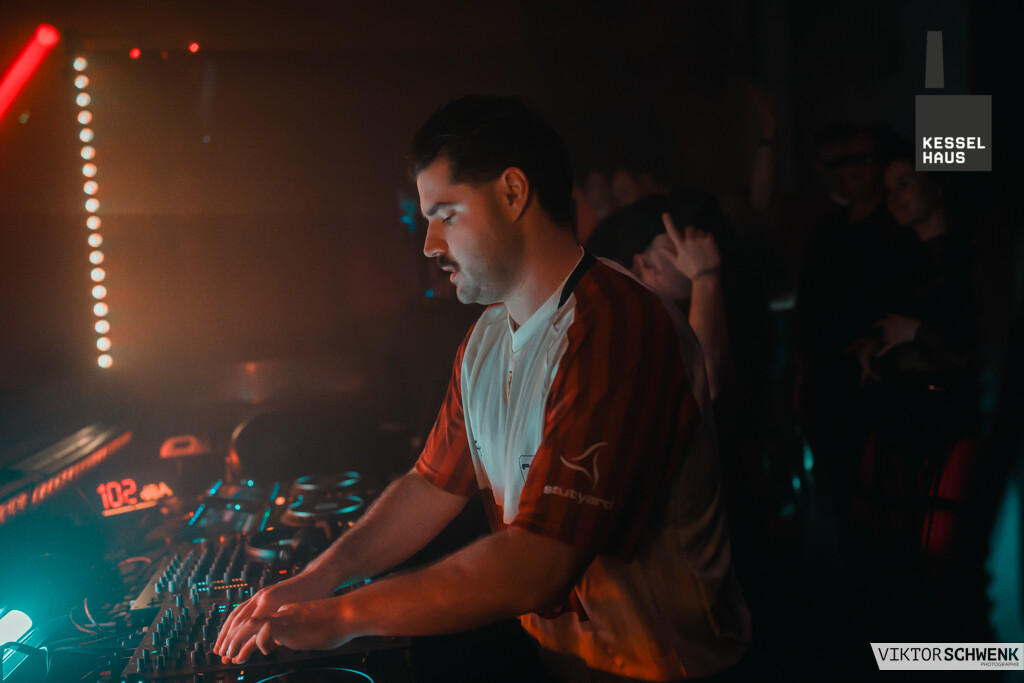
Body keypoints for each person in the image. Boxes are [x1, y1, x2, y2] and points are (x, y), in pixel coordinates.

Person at [213, 95, 750, 682]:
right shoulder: (486, 338)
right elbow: (430, 485)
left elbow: (539, 565)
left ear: (513, 193)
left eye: (446, 215)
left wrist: (343, 616)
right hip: (569, 665)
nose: (429, 245)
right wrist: (315, 580)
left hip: (668, 672)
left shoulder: (618, 327)